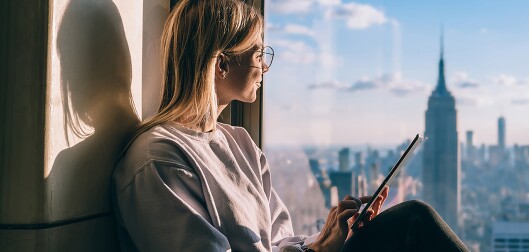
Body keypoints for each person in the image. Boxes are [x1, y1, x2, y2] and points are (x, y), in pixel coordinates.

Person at [111, 0, 469, 251]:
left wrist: (330, 234)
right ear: (220, 65)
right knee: (413, 222)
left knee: (410, 220)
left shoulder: (239, 142)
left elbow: (278, 241)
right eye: (258, 54)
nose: (265, 67)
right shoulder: (157, 160)